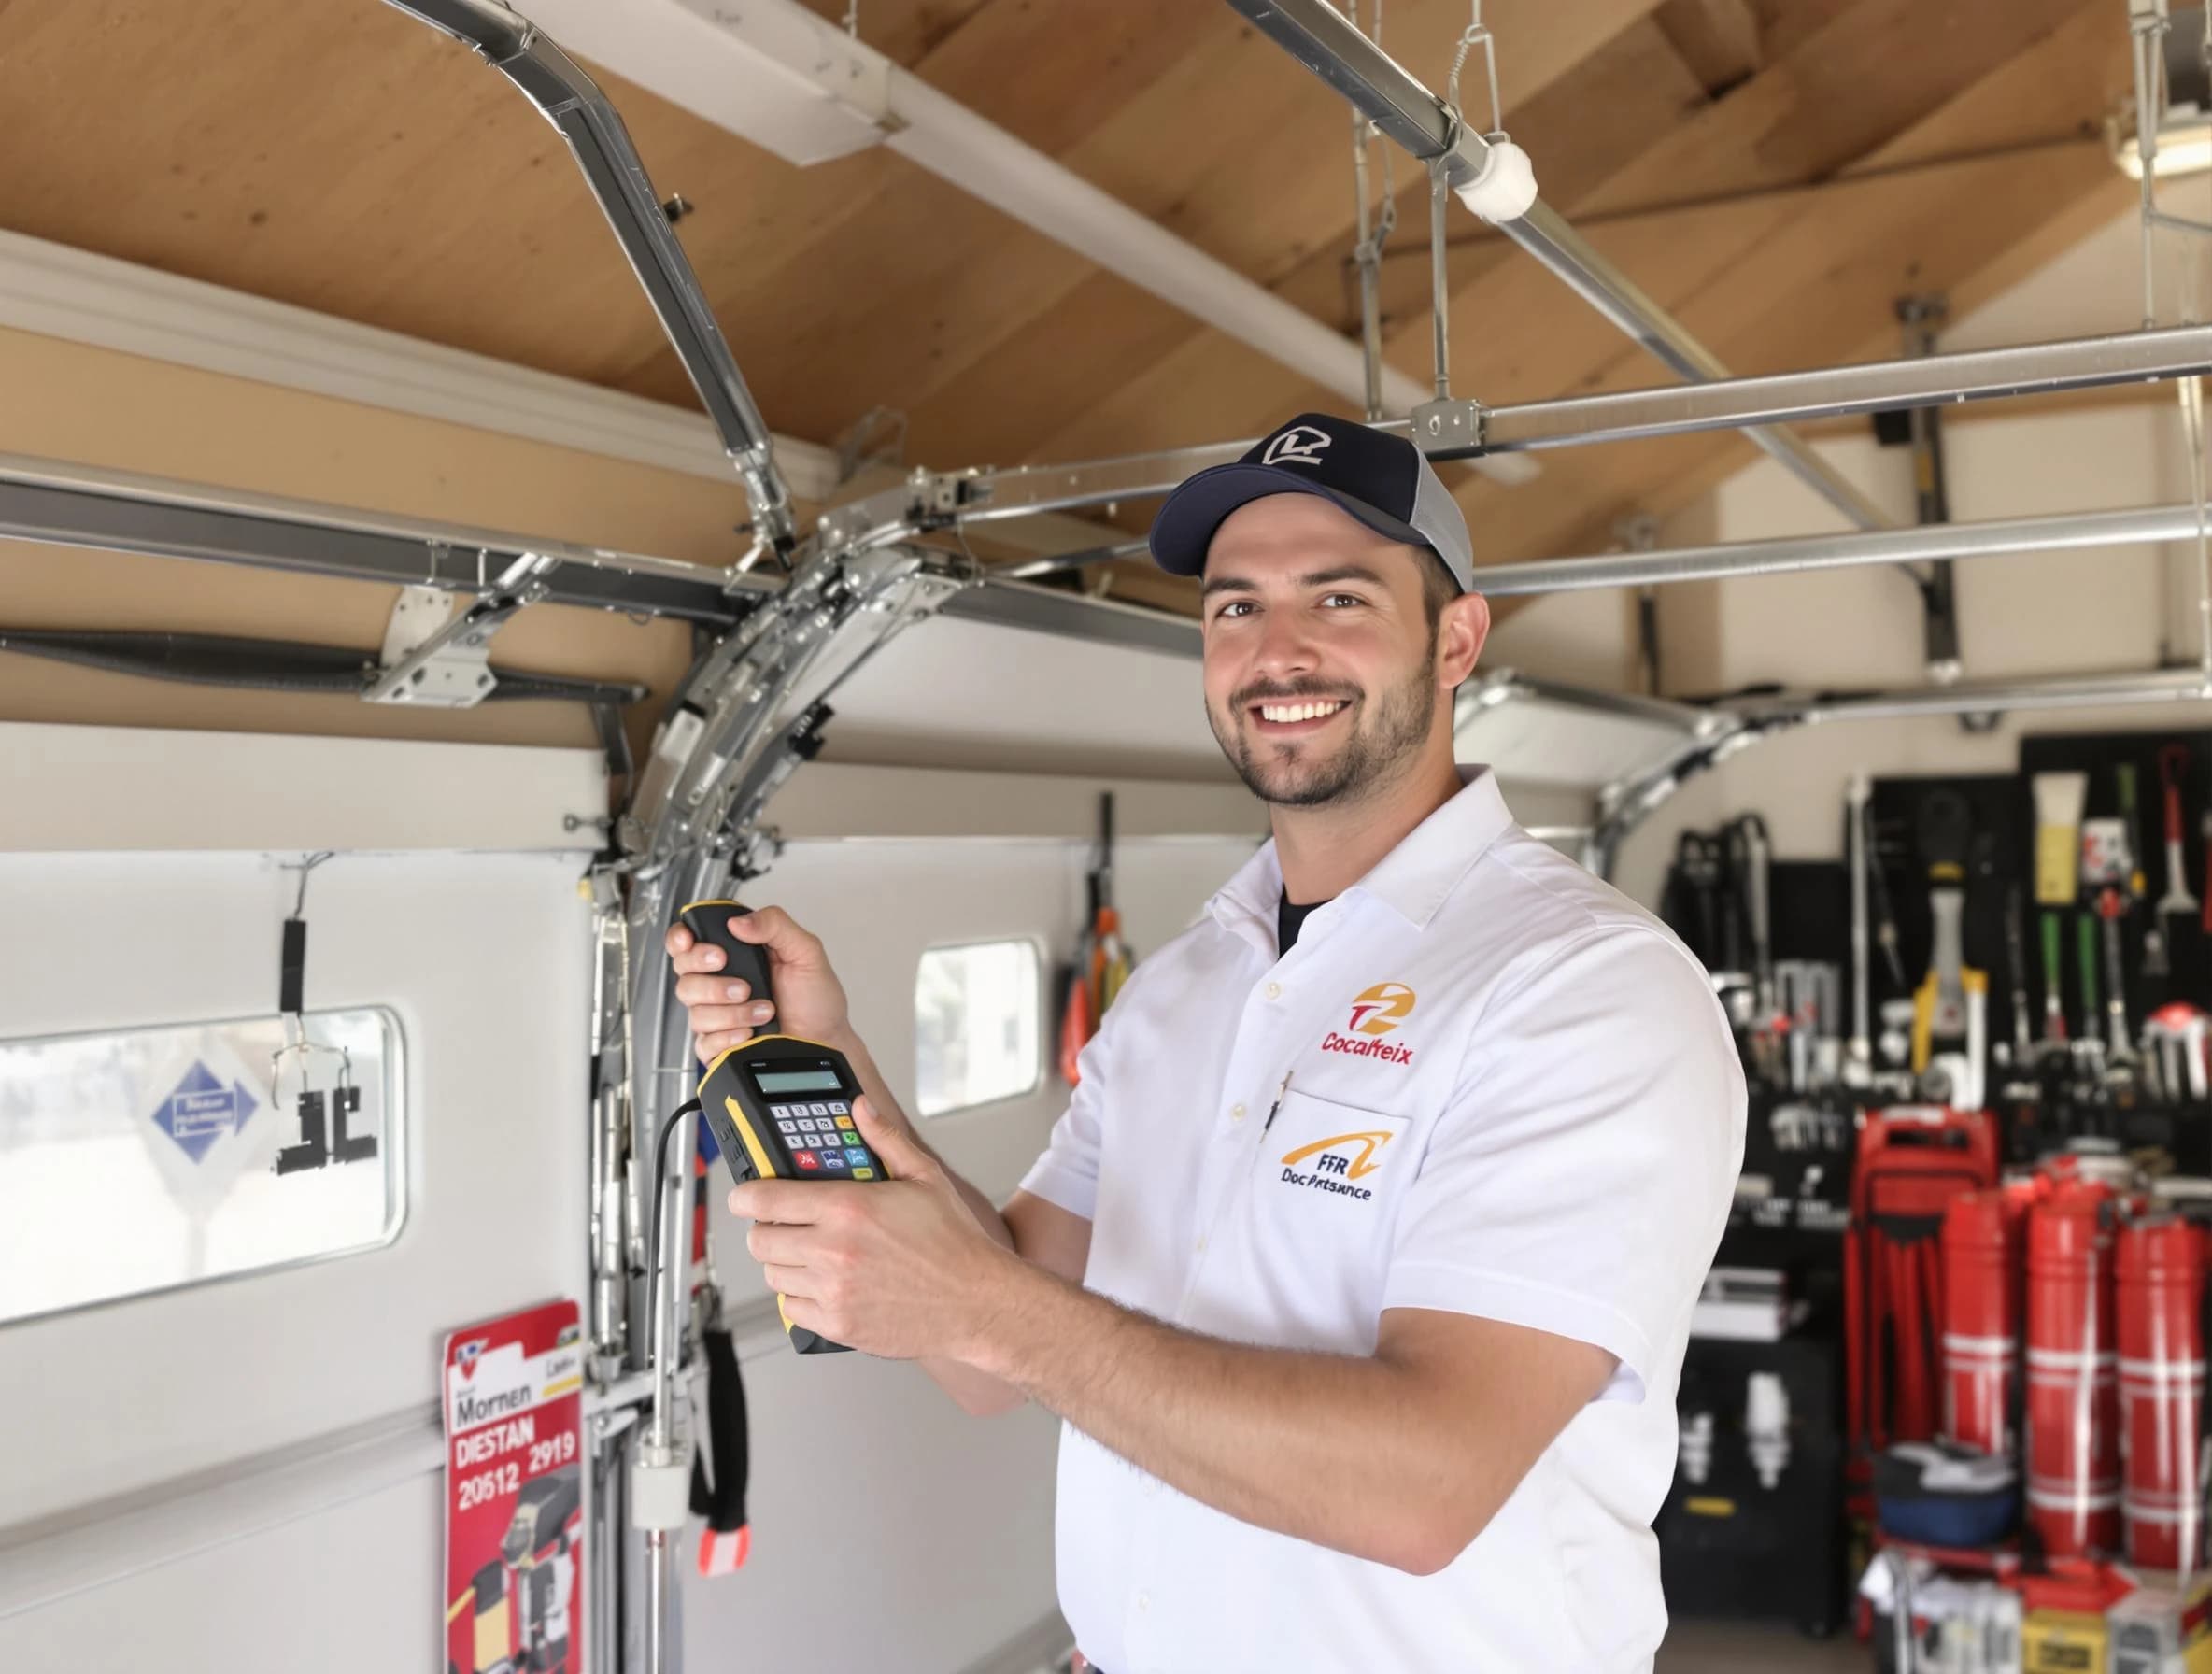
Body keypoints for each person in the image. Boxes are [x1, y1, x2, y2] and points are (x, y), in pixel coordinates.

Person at [666, 412, 1747, 1671]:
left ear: (1456, 641)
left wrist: (990, 1307)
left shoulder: (1582, 987)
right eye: (1234, 610)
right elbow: (991, 1351)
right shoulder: (1188, 986)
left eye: (1337, 599)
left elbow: (1427, 1484)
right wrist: (846, 1074)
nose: (1275, 650)